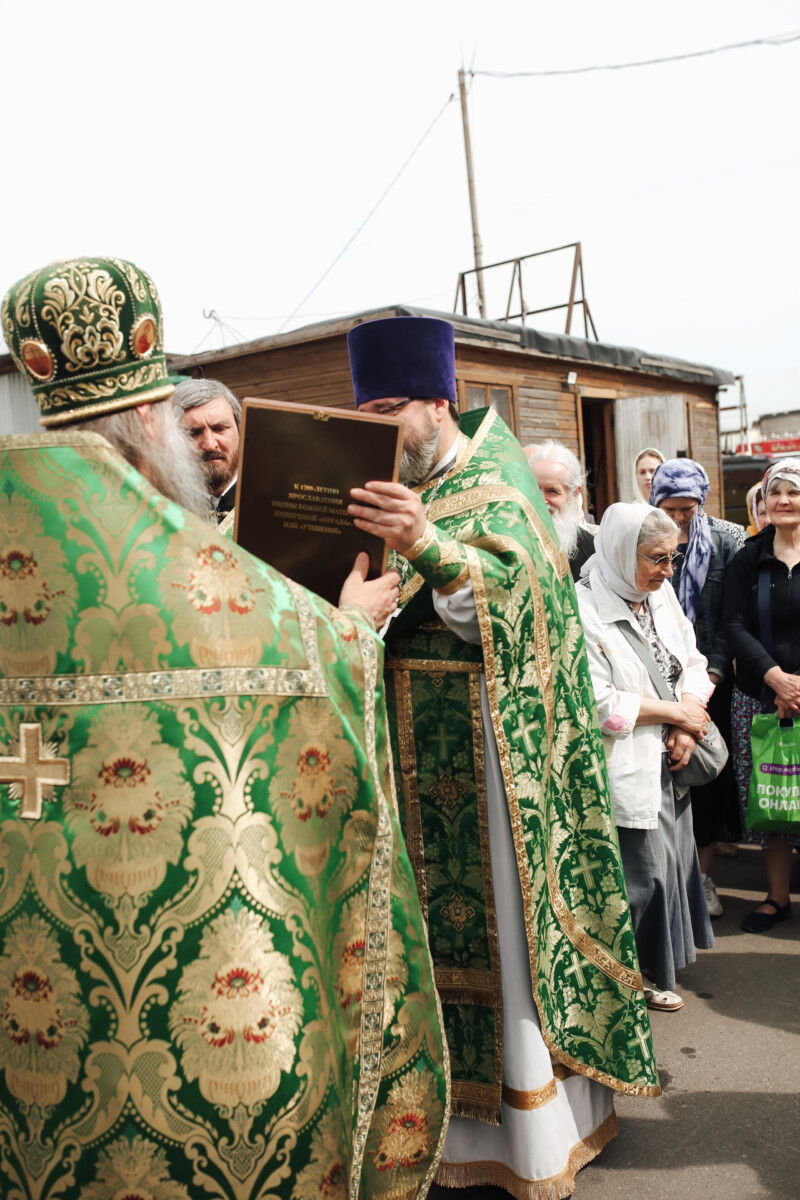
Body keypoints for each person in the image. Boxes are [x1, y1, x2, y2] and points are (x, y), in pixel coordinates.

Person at [0, 257, 448, 1199]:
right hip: (196, 1004)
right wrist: (352, 626)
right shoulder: (192, 574)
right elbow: (309, 665)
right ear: (146, 416)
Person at [345, 316, 660, 1199]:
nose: (378, 426)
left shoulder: (498, 479)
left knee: (502, 950)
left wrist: (428, 545)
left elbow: (521, 606)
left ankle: (529, 1135)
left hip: (487, 761)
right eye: (365, 411)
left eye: (391, 409)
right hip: (397, 745)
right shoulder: (373, 481)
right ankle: (427, 1124)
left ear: (439, 401)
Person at [577, 504, 715, 1011]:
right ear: (620, 551)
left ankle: (656, 969)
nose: (668, 571)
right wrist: (677, 715)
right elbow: (599, 703)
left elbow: (693, 661)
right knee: (642, 874)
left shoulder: (659, 595)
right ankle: (628, 977)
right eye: (657, 558)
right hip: (628, 762)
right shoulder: (585, 607)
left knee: (673, 864)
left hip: (671, 755)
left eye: (673, 557)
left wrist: (687, 722)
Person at [650, 459, 742, 917]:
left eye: (687, 509)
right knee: (662, 776)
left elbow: (730, 618)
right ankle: (667, 877)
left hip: (711, 679)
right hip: (656, 680)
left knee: (702, 777)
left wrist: (705, 684)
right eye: (669, 509)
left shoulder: (725, 541)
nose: (678, 518)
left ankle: (702, 878)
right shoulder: (644, 535)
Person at [723, 459, 800, 932]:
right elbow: (733, 624)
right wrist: (776, 678)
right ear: (764, 500)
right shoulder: (748, 557)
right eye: (776, 492)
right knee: (772, 795)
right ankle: (776, 897)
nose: (784, 501)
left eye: (794, 491)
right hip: (758, 695)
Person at [173, 377, 241, 523]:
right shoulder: (164, 512)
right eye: (194, 433)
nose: (210, 444)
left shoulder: (271, 503)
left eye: (219, 429)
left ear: (240, 432)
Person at [527, 440, 596, 580]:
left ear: (574, 494)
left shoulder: (592, 552)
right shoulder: (504, 538)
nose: (540, 500)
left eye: (552, 491)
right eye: (533, 488)